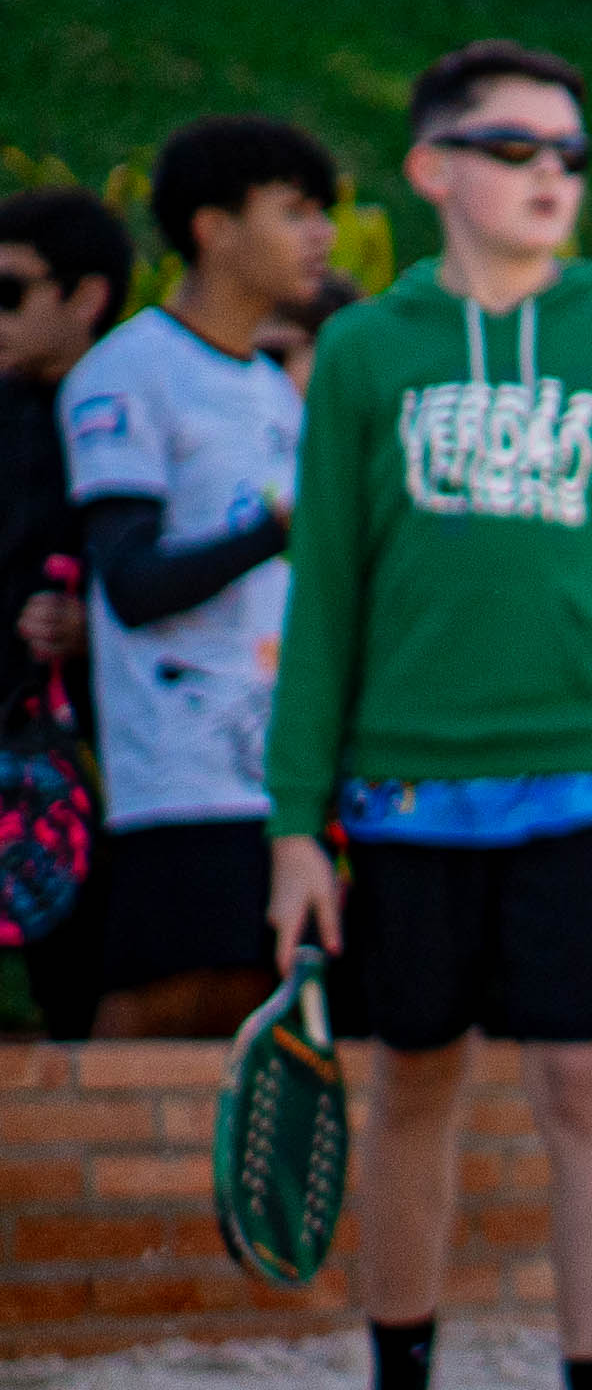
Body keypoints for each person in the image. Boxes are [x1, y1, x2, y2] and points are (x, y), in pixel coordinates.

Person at [265, 40, 592, 1390]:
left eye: (571, 153)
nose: (552, 173)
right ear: (432, 167)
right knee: (411, 1079)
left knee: (587, 1086)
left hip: (588, 779)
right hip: (405, 789)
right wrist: (294, 823)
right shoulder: (365, 350)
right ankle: (401, 1368)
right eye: (515, 148)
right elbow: (324, 601)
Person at [62, 117, 338, 1039]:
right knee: (165, 1002)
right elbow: (132, 586)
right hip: (178, 780)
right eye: (294, 212)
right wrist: (273, 531)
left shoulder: (271, 389)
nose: (321, 236)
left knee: (261, 1003)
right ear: (214, 228)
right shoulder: (130, 372)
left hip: (278, 771)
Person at [0, 189, 140, 1040]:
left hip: (97, 756)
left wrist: (96, 631)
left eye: (11, 292)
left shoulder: (134, 409)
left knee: (83, 979)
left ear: (86, 297)